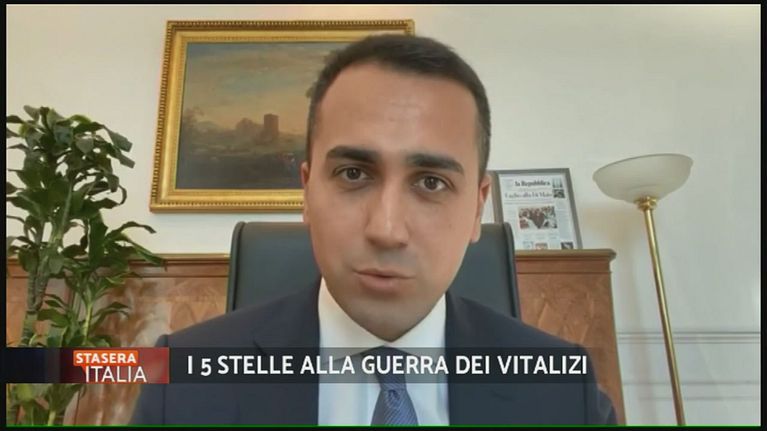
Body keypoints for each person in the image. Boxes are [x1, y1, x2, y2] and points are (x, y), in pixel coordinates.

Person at [130, 34, 616, 425]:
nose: (386, 230)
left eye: (431, 182)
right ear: (307, 192)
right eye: (353, 174)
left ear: (477, 209)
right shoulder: (181, 382)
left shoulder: (563, 391)